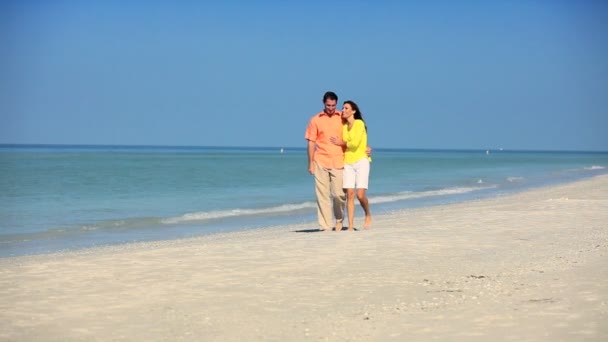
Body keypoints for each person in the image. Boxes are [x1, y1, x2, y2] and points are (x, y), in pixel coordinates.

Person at [305, 91, 346, 231]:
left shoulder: (343, 117)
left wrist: (364, 147)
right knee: (322, 195)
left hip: (339, 160)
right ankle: (326, 226)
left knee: (339, 194)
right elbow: (311, 143)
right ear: (324, 103)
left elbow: (355, 133)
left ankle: (339, 220)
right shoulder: (315, 120)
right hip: (320, 160)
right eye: (328, 105)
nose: (331, 108)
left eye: (333, 105)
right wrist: (310, 163)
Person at [330, 100, 372, 230]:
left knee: (360, 195)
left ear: (353, 111)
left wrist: (341, 142)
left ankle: (368, 214)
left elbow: (354, 143)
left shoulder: (359, 124)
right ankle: (351, 226)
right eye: (342, 108)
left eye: (346, 108)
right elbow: (349, 144)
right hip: (348, 161)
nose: (343, 110)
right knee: (350, 194)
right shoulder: (344, 127)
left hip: (361, 161)